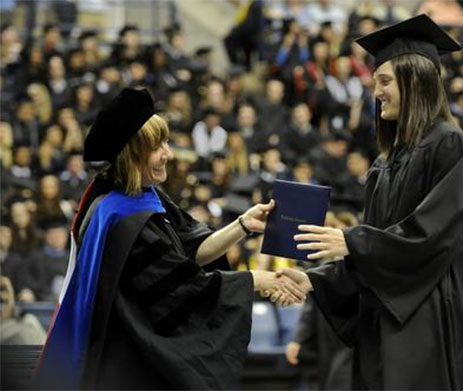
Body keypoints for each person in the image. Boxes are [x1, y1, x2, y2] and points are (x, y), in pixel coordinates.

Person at [34, 88, 305, 390]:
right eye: (157, 147)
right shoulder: (123, 219)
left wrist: (243, 225)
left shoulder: (142, 197)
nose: (169, 154)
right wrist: (257, 279)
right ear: (132, 154)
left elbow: (189, 250)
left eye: (166, 142)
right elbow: (180, 288)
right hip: (127, 366)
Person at [275, 14, 463, 389]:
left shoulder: (451, 147)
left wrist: (352, 241)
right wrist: (314, 281)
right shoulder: (383, 165)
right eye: (375, 82)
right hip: (382, 323)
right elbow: (374, 254)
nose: (377, 92)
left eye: (385, 81)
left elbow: (430, 237)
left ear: (416, 81)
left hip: (425, 321)